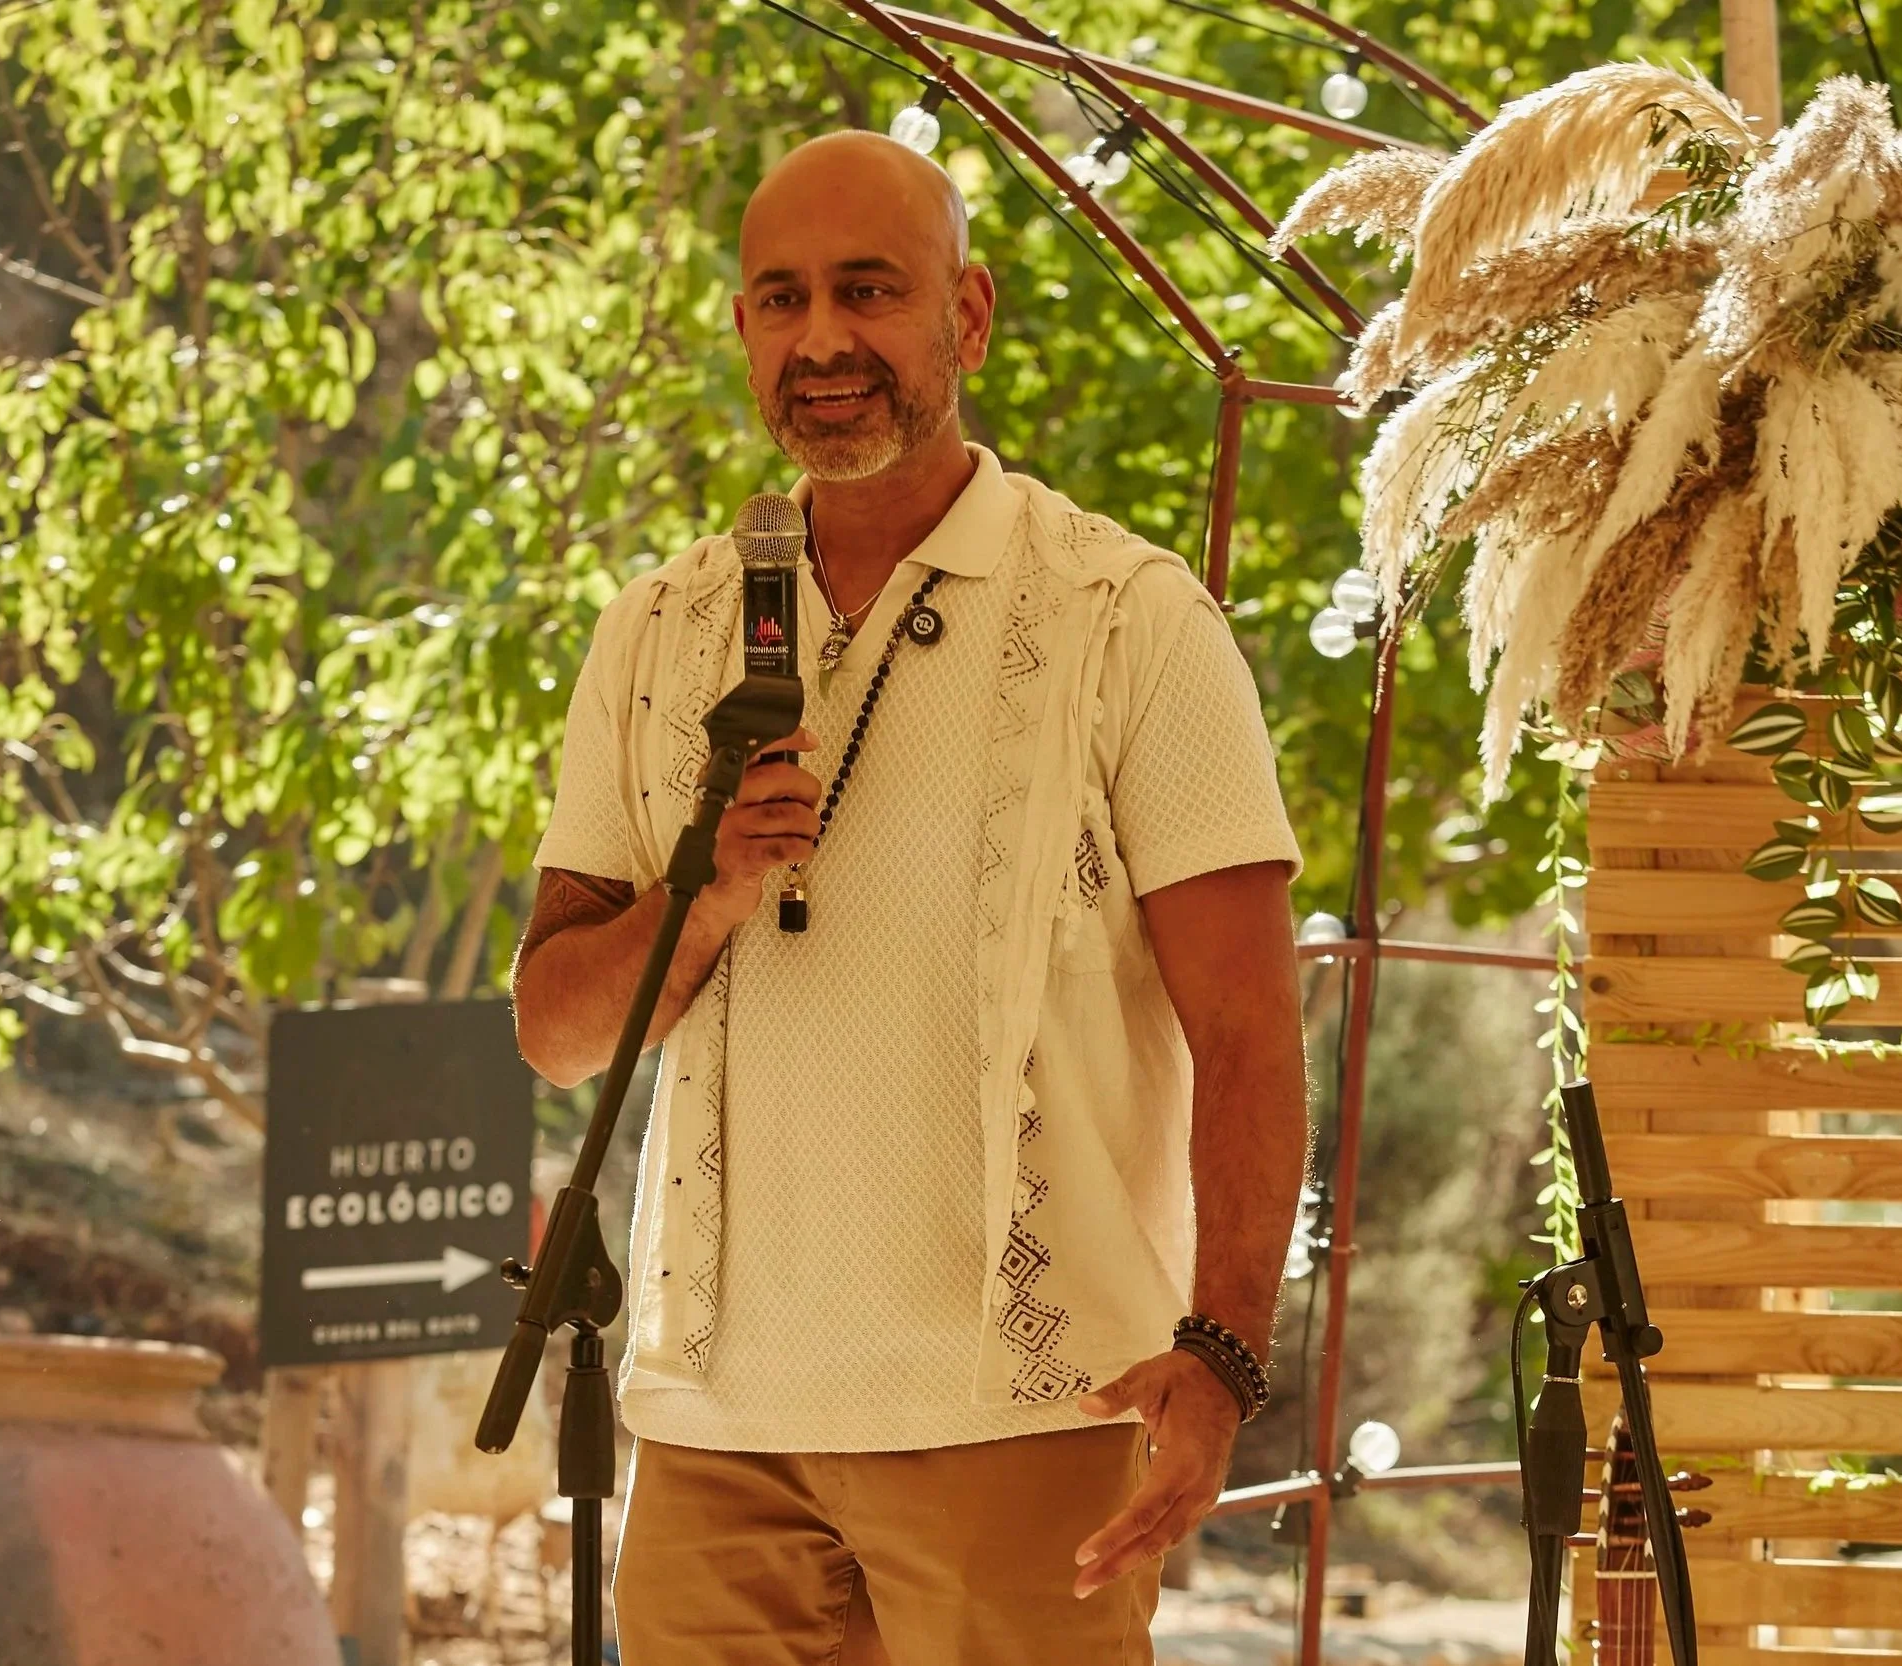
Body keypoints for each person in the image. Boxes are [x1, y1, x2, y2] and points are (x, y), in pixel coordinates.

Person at [512, 129, 1307, 1665]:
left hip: (1025, 1419)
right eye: (782, 297)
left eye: (869, 291)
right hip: (711, 1432)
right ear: (743, 327)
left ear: (971, 314)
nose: (823, 339)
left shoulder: (1131, 618)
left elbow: (1252, 1033)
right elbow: (555, 1029)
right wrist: (715, 885)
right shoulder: (658, 628)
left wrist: (1219, 1356)